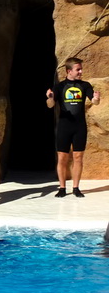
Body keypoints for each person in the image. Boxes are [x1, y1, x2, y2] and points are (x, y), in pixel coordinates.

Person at [46, 57, 101, 198]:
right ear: (69, 71)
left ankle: (76, 188)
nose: (81, 72)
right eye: (78, 69)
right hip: (64, 126)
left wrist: (96, 98)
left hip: (79, 126)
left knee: (78, 157)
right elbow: (50, 105)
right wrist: (50, 98)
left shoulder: (85, 85)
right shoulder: (60, 86)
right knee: (62, 158)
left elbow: (94, 102)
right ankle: (62, 187)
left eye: (81, 69)